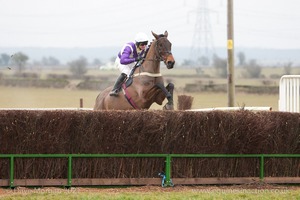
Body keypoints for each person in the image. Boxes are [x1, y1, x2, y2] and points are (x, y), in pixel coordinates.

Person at [109, 32, 149, 96]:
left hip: (131, 61)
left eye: (146, 43)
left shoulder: (145, 48)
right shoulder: (129, 47)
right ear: (137, 43)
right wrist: (135, 59)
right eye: (142, 44)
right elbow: (123, 61)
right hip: (121, 61)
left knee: (139, 71)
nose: (144, 46)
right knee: (126, 72)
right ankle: (114, 89)